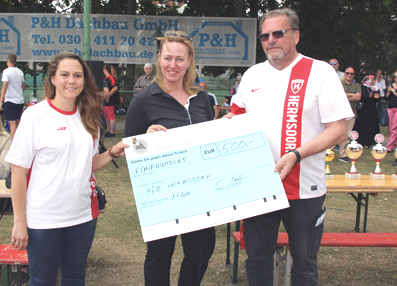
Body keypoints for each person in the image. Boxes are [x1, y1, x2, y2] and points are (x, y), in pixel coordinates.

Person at [226, 8, 353, 285]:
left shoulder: (320, 72)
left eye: (278, 33)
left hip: (305, 189)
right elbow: (235, 118)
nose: (270, 40)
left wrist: (296, 155)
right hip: (259, 185)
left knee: (305, 262)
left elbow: (338, 129)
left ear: (295, 35)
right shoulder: (252, 75)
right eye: (264, 36)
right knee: (257, 260)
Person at [5, 52, 128, 285]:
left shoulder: (89, 116)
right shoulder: (34, 115)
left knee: (74, 278)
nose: (71, 80)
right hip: (43, 219)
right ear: (52, 79)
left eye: (77, 75)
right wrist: (20, 221)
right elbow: (18, 172)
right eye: (64, 74)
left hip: (82, 216)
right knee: (42, 280)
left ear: (84, 80)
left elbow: (87, 165)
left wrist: (112, 152)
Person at [124, 30, 215, 286]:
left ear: (189, 61)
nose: (172, 65)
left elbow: (209, 138)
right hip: (163, 193)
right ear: (159, 60)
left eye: (179, 59)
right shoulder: (143, 100)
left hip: (200, 190)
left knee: (201, 252)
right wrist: (145, 139)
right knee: (160, 255)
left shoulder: (202, 98)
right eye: (167, 58)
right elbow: (128, 148)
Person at [339, 67, 362, 163]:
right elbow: (338, 96)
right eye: (348, 73)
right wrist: (351, 95)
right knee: (334, 133)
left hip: (351, 112)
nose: (349, 75)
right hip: (339, 112)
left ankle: (343, 154)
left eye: (351, 74)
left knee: (346, 135)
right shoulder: (339, 83)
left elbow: (358, 97)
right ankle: (327, 153)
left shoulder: (356, 85)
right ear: (344, 73)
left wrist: (345, 95)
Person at [0, 53, 25, 139]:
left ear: (7, 61)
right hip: (20, 100)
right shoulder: (20, 72)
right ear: (16, 61)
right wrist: (20, 94)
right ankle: (21, 140)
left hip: (10, 100)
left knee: (12, 123)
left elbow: (4, 86)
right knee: (18, 121)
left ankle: (14, 143)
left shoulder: (6, 71)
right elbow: (23, 85)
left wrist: (1, 101)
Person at [353, 75, 381, 148]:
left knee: (372, 125)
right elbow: (361, 97)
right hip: (364, 110)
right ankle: (363, 141)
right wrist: (369, 96)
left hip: (372, 109)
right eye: (371, 79)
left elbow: (378, 99)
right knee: (363, 125)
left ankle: (371, 141)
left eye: (374, 80)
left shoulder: (376, 88)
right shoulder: (363, 87)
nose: (373, 81)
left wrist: (377, 97)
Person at [103, 64, 119, 138]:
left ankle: (112, 132)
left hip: (110, 100)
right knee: (107, 117)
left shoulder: (111, 78)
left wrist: (108, 95)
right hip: (107, 100)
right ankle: (109, 131)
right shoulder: (107, 78)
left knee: (111, 116)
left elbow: (115, 88)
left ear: (105, 70)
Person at [386, 70, 397, 164]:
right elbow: (386, 96)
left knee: (394, 127)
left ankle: (389, 147)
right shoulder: (391, 85)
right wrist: (389, 91)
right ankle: (394, 144)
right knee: (391, 128)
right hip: (390, 108)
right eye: (395, 76)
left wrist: (394, 91)